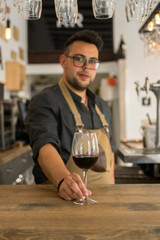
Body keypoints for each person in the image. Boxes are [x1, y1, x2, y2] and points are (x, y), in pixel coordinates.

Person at [25, 29, 115, 201]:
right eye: (79, 59)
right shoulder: (44, 101)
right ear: (63, 61)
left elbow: (110, 160)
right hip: (59, 199)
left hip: (102, 201)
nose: (86, 67)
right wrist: (63, 180)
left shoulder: (102, 106)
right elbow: (44, 146)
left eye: (93, 61)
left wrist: (112, 191)